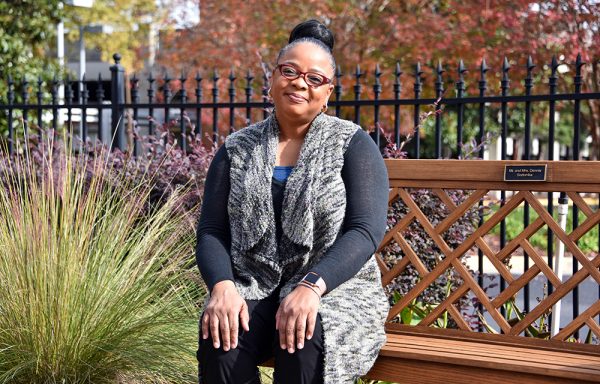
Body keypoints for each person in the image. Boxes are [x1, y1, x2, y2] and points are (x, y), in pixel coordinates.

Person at [195, 19, 390, 384]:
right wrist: (222, 286)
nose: (300, 82)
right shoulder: (238, 149)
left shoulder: (352, 144)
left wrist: (311, 286)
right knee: (220, 337)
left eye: (314, 78)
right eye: (290, 71)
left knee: (303, 337)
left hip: (334, 288)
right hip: (256, 281)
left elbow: (365, 231)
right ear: (273, 78)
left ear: (328, 91)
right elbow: (211, 230)